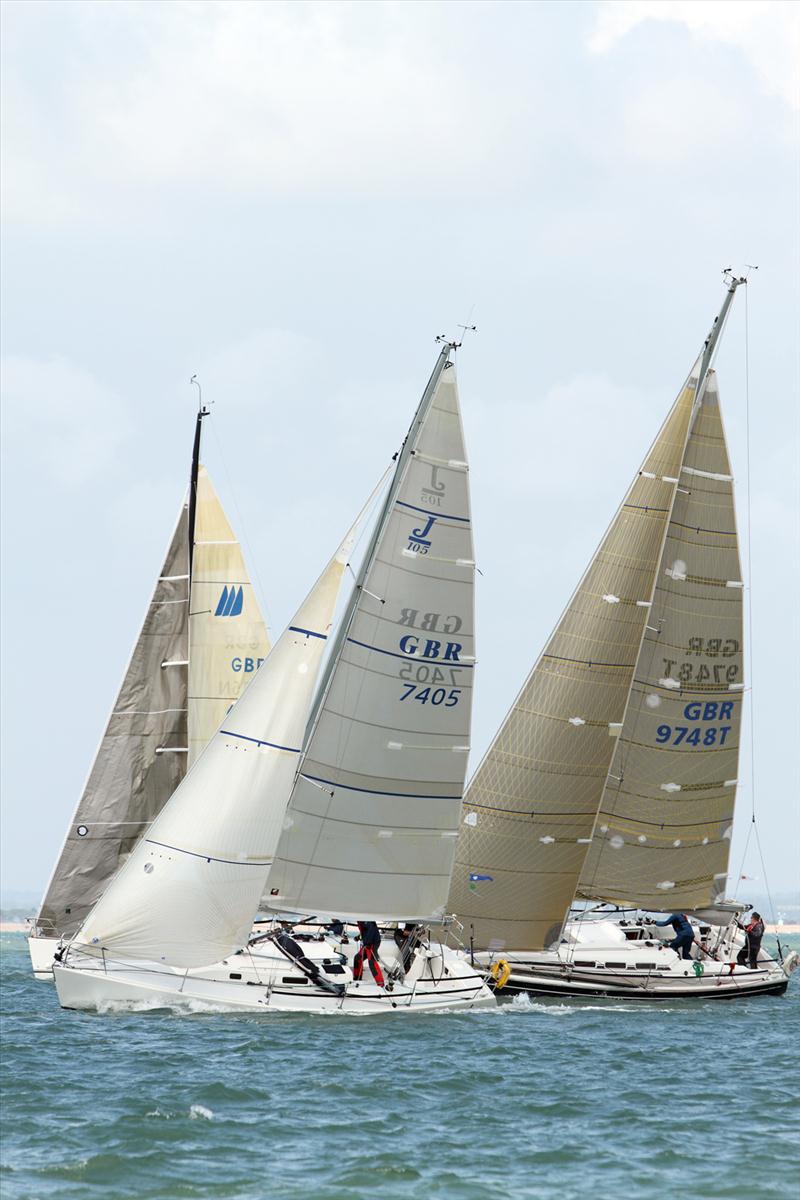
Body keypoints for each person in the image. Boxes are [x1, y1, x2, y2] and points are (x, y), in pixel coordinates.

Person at [353, 920, 384, 986]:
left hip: (372, 943)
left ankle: (380, 983)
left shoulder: (366, 919)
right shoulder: (361, 919)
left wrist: (368, 942)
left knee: (372, 963)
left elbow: (371, 929)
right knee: (357, 958)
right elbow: (366, 931)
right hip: (367, 943)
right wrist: (359, 937)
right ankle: (357, 978)